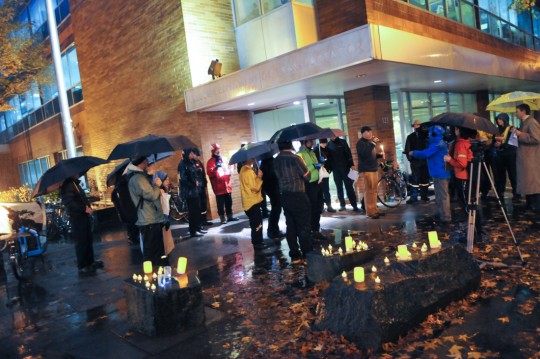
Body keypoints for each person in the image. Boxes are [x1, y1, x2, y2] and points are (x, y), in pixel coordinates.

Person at [273, 140, 313, 264]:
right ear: (290, 146)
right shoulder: (296, 158)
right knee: (303, 225)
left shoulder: (276, 160)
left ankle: (295, 256)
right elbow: (307, 177)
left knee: (291, 226)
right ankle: (306, 254)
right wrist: (307, 169)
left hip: (285, 196)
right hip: (298, 195)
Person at [126, 156, 167, 265]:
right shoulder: (138, 178)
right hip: (149, 219)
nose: (148, 164)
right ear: (142, 163)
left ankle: (157, 272)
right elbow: (152, 195)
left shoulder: (140, 177)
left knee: (155, 250)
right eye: (146, 162)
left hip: (151, 218)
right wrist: (157, 186)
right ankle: (153, 273)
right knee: (152, 251)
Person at [60, 176, 103, 275]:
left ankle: (90, 261)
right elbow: (70, 203)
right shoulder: (68, 186)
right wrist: (84, 208)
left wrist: (86, 207)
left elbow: (80, 198)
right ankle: (83, 265)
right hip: (77, 217)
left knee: (88, 239)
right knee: (81, 240)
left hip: (83, 216)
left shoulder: (75, 184)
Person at [409, 125, 451, 224]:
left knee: (443, 196)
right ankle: (443, 215)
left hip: (440, 173)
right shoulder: (438, 142)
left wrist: (413, 153)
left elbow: (425, 154)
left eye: (429, 132)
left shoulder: (437, 144)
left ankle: (445, 217)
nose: (428, 133)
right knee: (440, 195)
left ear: (434, 133)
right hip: (439, 172)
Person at [297, 139, 325, 240]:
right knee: (312, 208)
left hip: (317, 182)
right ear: (304, 142)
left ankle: (316, 229)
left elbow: (317, 166)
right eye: (309, 141)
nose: (312, 142)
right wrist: (314, 165)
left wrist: (321, 163)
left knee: (318, 207)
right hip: (309, 184)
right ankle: (311, 231)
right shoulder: (300, 154)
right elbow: (303, 168)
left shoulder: (312, 152)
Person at [514, 103, 540, 212]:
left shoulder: (532, 122)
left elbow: (536, 139)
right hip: (525, 157)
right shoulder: (524, 122)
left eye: (517, 111)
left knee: (532, 181)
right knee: (527, 182)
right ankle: (530, 204)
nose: (516, 113)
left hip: (531, 157)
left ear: (523, 111)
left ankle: (535, 205)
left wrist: (520, 134)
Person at [443, 127, 476, 208]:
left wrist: (449, 160)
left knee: (465, 201)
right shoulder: (470, 141)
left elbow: (462, 164)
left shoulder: (461, 144)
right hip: (470, 175)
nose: (455, 131)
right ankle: (473, 218)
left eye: (456, 129)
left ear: (460, 131)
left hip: (462, 176)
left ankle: (470, 218)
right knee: (470, 199)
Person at [356, 126, 385, 219]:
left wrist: (379, 155)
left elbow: (370, 155)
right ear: (362, 133)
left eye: (370, 132)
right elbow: (364, 154)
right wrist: (373, 143)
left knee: (374, 190)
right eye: (367, 132)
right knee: (369, 190)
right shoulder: (360, 143)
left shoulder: (370, 143)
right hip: (366, 169)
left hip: (373, 168)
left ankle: (374, 209)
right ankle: (370, 212)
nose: (369, 134)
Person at [207, 143, 239, 224]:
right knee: (220, 204)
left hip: (227, 185)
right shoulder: (210, 162)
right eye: (217, 150)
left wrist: (231, 166)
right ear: (213, 151)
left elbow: (229, 167)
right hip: (218, 187)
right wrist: (215, 168)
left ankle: (230, 216)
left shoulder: (224, 159)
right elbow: (210, 173)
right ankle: (222, 218)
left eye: (219, 149)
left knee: (229, 201)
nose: (218, 151)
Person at [239, 158, 266, 250]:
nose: (254, 159)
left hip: (248, 201)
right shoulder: (248, 171)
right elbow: (255, 187)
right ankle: (258, 242)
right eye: (252, 158)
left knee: (254, 223)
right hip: (252, 201)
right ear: (248, 160)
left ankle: (256, 241)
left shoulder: (243, 169)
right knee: (257, 224)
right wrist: (259, 177)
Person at [178, 149, 206, 238]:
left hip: (195, 190)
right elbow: (183, 178)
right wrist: (193, 183)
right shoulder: (182, 164)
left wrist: (198, 175)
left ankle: (198, 228)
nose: (192, 154)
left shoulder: (191, 162)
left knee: (197, 210)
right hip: (189, 192)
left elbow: (195, 174)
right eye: (190, 153)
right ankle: (192, 230)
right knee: (192, 211)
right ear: (187, 154)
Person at [326, 136, 359, 211]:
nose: (333, 137)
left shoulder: (342, 142)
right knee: (339, 187)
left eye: (334, 135)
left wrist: (352, 164)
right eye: (331, 135)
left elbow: (348, 153)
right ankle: (342, 205)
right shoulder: (328, 145)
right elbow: (328, 158)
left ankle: (354, 205)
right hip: (335, 169)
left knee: (349, 186)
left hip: (345, 168)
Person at [492, 113, 519, 200]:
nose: (498, 121)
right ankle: (500, 192)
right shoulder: (496, 130)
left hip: (510, 154)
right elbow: (493, 140)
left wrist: (502, 144)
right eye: (498, 119)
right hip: (499, 155)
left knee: (512, 174)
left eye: (500, 119)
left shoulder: (511, 129)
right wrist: (495, 144)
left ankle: (516, 193)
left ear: (505, 119)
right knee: (500, 175)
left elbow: (514, 142)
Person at [259, 156, 285, 240]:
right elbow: (273, 175)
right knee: (276, 209)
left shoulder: (265, 163)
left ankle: (274, 229)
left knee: (276, 208)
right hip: (273, 188)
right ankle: (272, 230)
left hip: (271, 188)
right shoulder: (269, 163)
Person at [404, 120, 430, 203]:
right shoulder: (410, 137)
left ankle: (424, 196)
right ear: (414, 126)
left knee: (424, 180)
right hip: (416, 162)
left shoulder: (425, 136)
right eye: (416, 125)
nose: (417, 127)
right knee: (415, 180)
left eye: (419, 125)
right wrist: (411, 159)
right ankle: (414, 197)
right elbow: (407, 149)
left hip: (424, 161)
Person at [153, 171, 174, 256]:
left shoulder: (164, 191)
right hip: (162, 222)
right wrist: (165, 220)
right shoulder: (160, 192)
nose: (168, 182)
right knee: (164, 247)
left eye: (168, 180)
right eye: (165, 180)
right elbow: (163, 208)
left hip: (164, 221)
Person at [314, 139, 336, 212]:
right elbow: (314, 162)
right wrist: (319, 162)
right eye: (323, 143)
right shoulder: (316, 150)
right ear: (319, 143)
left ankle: (329, 205)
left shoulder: (328, 150)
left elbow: (330, 160)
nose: (324, 145)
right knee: (320, 190)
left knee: (326, 190)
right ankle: (321, 206)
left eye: (325, 143)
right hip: (319, 172)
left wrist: (329, 169)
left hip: (325, 172)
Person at [193, 148, 212, 226]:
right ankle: (200, 221)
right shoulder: (191, 164)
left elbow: (203, 174)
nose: (197, 157)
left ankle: (204, 220)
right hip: (196, 188)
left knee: (204, 204)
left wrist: (205, 184)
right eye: (196, 155)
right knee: (198, 205)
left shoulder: (199, 162)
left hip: (202, 186)